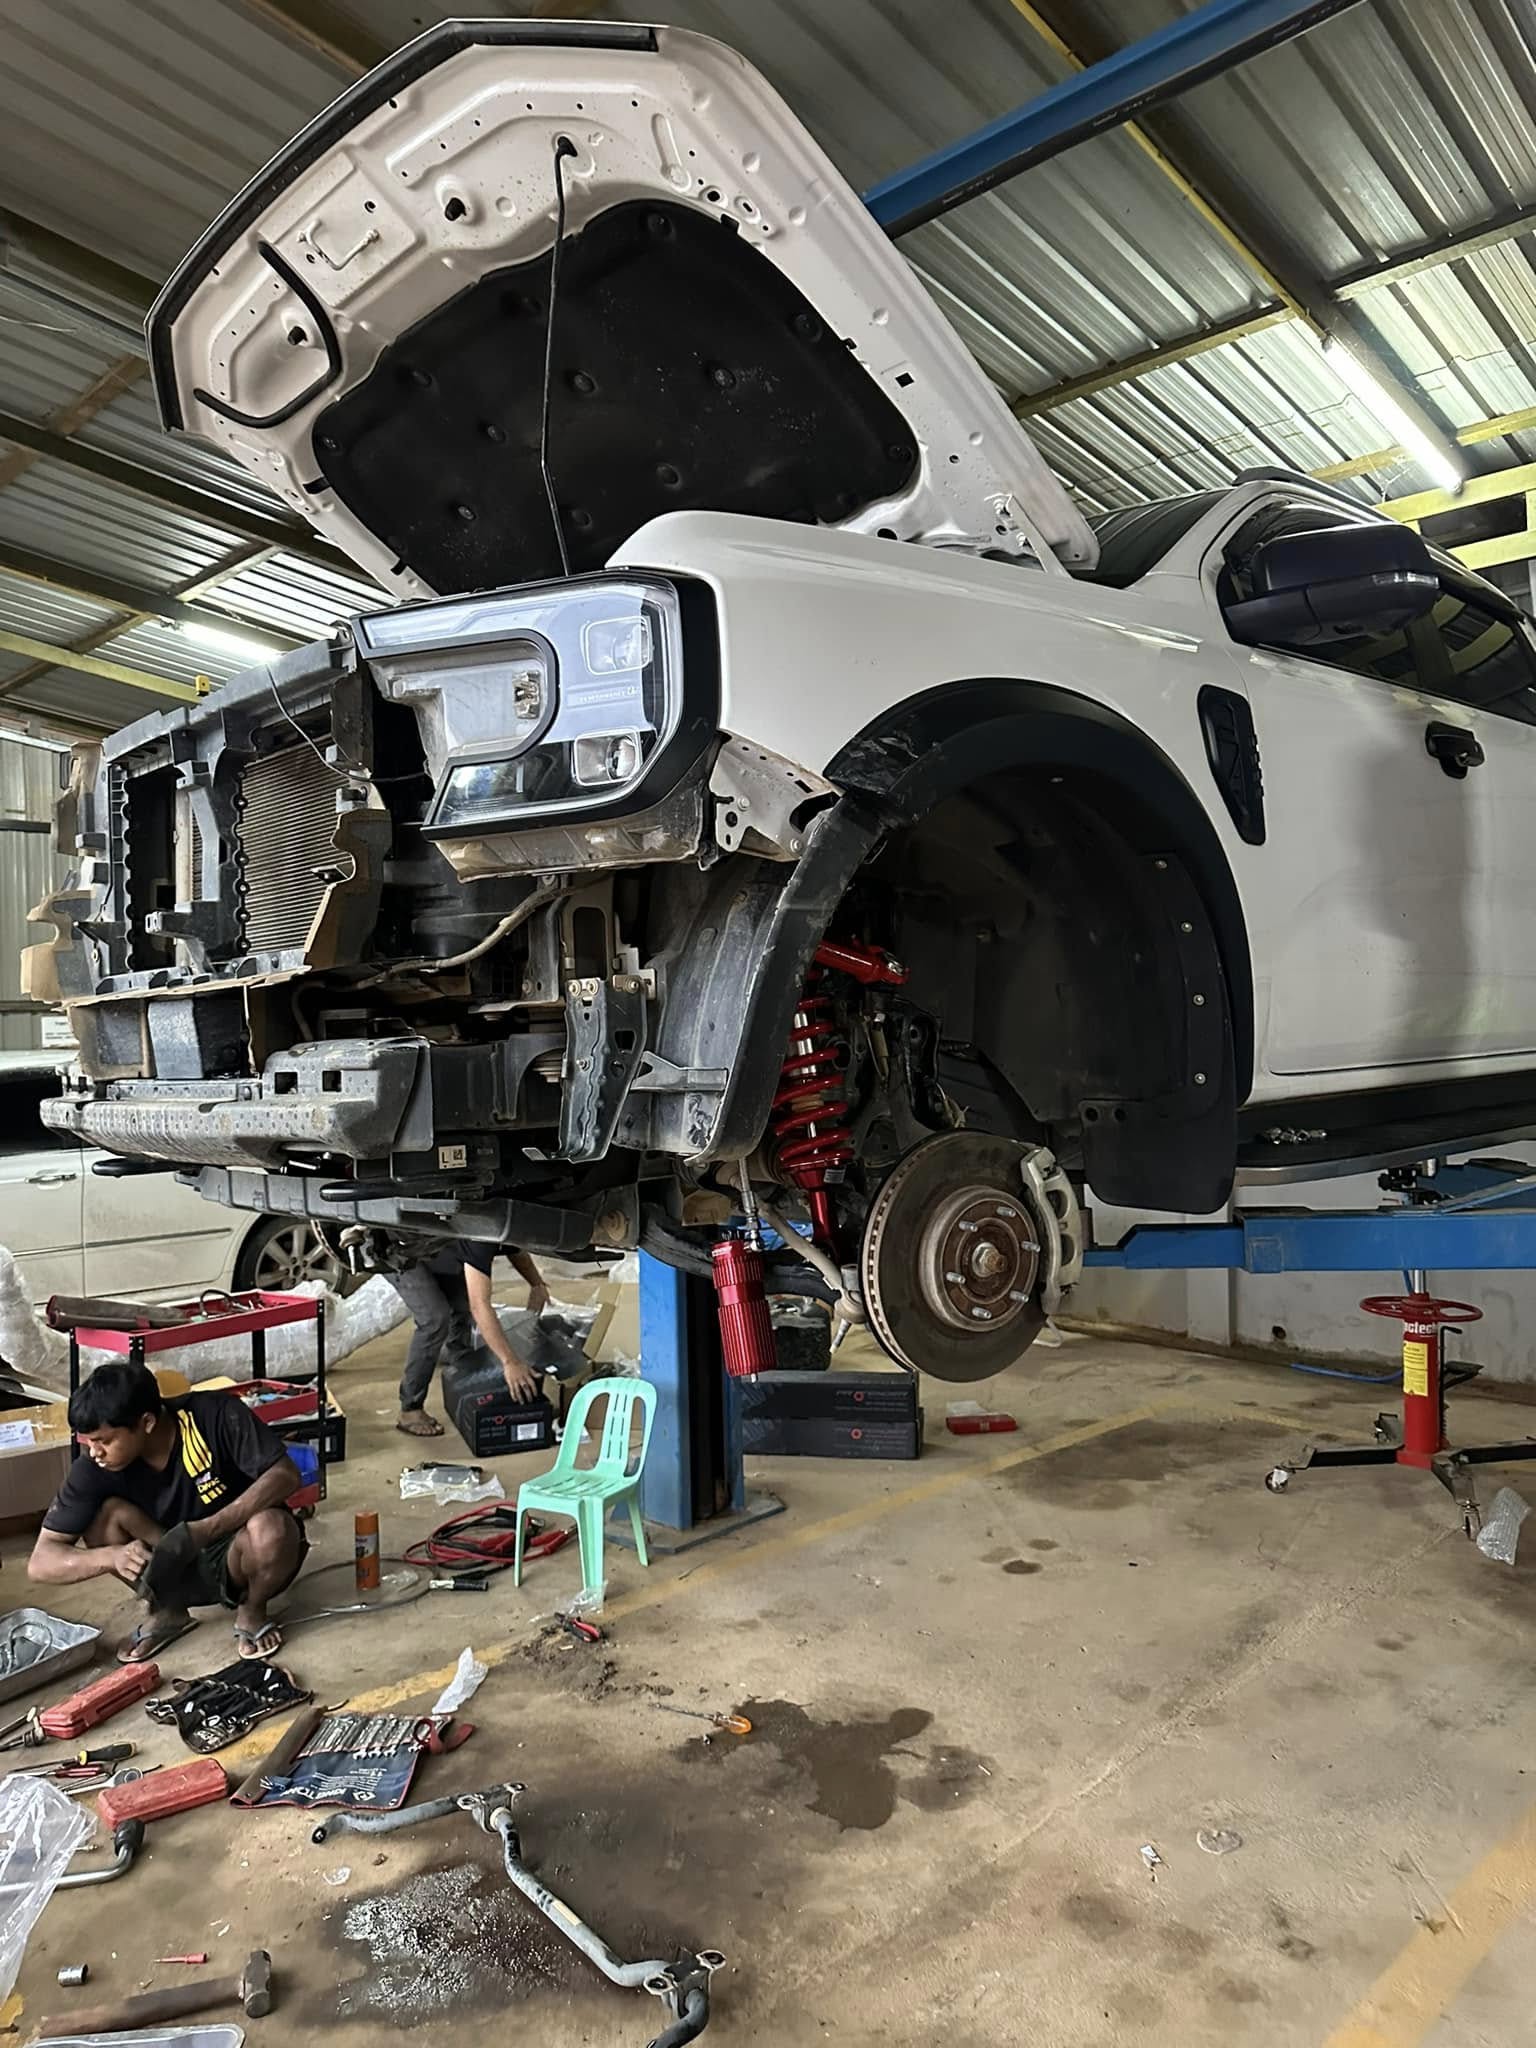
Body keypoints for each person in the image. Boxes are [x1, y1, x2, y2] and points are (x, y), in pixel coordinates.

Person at [28, 1359, 306, 1664]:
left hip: (238, 1554)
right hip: (168, 1562)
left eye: (104, 1441)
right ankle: (167, 1610)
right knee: (104, 1516)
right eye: (89, 1441)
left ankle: (253, 1608)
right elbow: (41, 1562)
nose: (95, 1452)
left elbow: (285, 1475)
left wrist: (207, 1529)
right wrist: (111, 1557)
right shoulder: (93, 1467)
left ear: (147, 1422)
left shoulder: (213, 1415)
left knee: (271, 1528)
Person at [388, 1239, 549, 1437]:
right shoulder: (481, 1236)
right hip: (399, 1248)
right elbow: (480, 1306)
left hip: (439, 1247)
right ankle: (410, 1409)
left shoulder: (507, 1228)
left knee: (461, 1306)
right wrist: (510, 1362)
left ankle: (462, 1379)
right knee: (434, 1318)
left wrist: (537, 1284)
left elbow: (514, 1248)